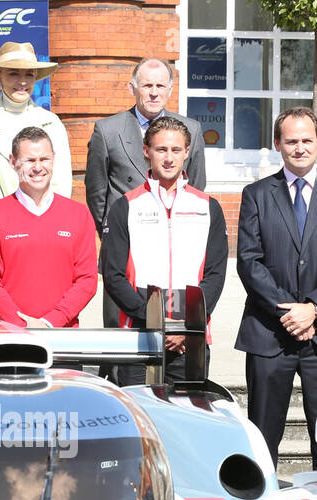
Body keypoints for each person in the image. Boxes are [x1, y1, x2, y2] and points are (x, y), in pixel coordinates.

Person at [235, 107, 317, 476]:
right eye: (291, 141)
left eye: (307, 140)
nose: (300, 148)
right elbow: (249, 262)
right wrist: (289, 313)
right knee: (262, 437)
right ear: (278, 144)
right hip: (269, 334)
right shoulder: (256, 195)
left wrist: (314, 309)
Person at [100, 115, 227, 386]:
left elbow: (216, 274)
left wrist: (186, 323)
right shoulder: (125, 206)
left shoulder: (207, 206)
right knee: (140, 420)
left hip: (190, 334)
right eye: (161, 149)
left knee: (188, 419)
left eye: (176, 150)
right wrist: (156, 321)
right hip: (139, 330)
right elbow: (113, 275)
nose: (169, 158)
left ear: (187, 152)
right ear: (147, 152)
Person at [86, 58, 207, 343]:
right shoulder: (107, 130)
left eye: (160, 86)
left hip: (174, 253)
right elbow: (96, 191)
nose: (153, 92)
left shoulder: (191, 129)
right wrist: (113, 235)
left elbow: (197, 187)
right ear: (133, 88)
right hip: (124, 254)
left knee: (173, 336)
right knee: (121, 339)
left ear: (170, 89)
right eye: (147, 85)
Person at [0, 127, 96, 328]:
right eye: (29, 161)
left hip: (63, 338)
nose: (38, 167)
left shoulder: (78, 214)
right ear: (13, 162)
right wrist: (21, 324)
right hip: (10, 335)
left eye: (44, 159)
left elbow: (87, 280)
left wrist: (51, 322)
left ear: (54, 159)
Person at [0, 41, 71, 228]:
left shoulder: (52, 124)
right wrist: (8, 229)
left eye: (29, 74)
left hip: (45, 232)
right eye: (13, 73)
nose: (22, 82)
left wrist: (43, 225)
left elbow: (61, 184)